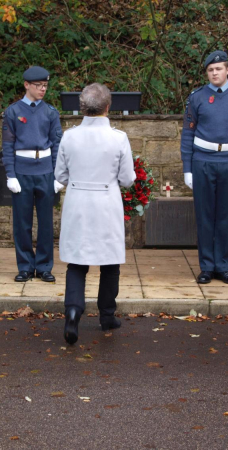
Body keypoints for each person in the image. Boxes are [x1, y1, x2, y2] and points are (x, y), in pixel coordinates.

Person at [54, 83, 136, 345]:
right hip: (105, 202)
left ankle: (74, 310)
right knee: (109, 262)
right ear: (108, 107)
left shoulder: (69, 136)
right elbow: (127, 179)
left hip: (78, 201)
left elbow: (60, 176)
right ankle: (107, 315)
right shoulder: (118, 137)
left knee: (77, 262)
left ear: (82, 107)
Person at [180, 50, 228, 285]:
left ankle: (223, 267)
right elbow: (188, 133)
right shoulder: (197, 97)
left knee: (226, 217)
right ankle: (206, 267)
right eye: (210, 70)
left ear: (227, 71)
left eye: (219, 69)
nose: (214, 73)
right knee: (205, 217)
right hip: (203, 162)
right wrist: (187, 168)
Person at [1, 66, 64, 283]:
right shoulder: (13, 112)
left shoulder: (50, 112)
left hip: (45, 171)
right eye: (38, 85)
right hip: (22, 171)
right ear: (26, 85)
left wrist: (58, 175)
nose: (42, 89)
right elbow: (7, 146)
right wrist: (10, 174)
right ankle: (25, 266)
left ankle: (45, 266)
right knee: (22, 223)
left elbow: (57, 145)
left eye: (45, 85)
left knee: (46, 222)